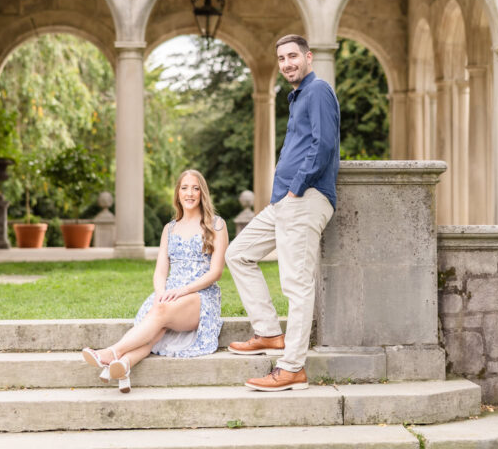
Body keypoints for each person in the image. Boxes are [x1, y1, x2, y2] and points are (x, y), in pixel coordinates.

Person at [225, 34, 340, 392]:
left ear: (308, 57)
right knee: (238, 254)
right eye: (281, 59)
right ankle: (270, 332)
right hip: (284, 202)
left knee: (296, 284)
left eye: (293, 56)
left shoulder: (319, 90)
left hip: (305, 199)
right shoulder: (298, 97)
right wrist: (284, 194)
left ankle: (292, 368)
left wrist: (298, 184)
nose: (287, 63)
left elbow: (324, 144)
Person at [82, 169, 228, 393]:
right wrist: (161, 293)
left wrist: (182, 291)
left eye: (195, 188)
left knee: (159, 314)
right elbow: (160, 271)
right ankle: (124, 365)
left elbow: (216, 272)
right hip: (168, 297)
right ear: (178, 193)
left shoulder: (216, 225)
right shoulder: (169, 229)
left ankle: (110, 353)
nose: (190, 193)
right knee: (154, 332)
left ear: (202, 193)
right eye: (185, 188)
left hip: (200, 297)